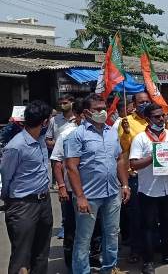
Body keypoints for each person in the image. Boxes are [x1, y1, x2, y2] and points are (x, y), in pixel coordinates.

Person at [65, 93, 131, 273]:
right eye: (98, 109)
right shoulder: (77, 135)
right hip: (88, 196)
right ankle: (81, 271)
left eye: (104, 108)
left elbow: (119, 160)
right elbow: (71, 167)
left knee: (111, 235)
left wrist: (124, 185)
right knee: (83, 239)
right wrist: (80, 197)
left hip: (112, 194)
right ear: (86, 112)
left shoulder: (111, 132)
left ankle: (109, 268)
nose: (103, 112)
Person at [129, 103, 168, 273]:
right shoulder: (141, 138)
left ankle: (167, 254)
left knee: (167, 223)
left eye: (163, 116)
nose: (161, 119)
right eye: (156, 117)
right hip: (149, 190)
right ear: (147, 119)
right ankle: (148, 261)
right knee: (149, 225)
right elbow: (134, 164)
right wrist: (154, 156)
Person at [0, 100, 53, 274]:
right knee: (21, 257)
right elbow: (6, 176)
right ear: (44, 122)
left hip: (44, 202)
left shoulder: (41, 140)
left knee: (41, 253)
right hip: (23, 205)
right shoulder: (16, 146)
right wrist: (10, 200)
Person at [51, 98, 99, 268]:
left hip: (93, 190)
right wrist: (62, 187)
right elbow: (57, 162)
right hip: (72, 190)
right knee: (72, 229)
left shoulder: (98, 132)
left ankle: (91, 258)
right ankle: (71, 264)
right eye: (86, 114)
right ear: (78, 115)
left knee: (93, 229)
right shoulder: (66, 134)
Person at [117, 91, 151, 264]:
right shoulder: (126, 122)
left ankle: (151, 247)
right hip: (135, 174)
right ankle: (135, 250)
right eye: (141, 102)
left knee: (152, 215)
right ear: (134, 105)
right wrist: (126, 133)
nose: (144, 104)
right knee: (136, 216)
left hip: (154, 176)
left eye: (147, 101)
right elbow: (122, 152)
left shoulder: (154, 119)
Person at [45, 94, 76, 189]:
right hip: (60, 160)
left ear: (72, 103)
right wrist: (59, 143)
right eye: (60, 104)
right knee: (64, 190)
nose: (62, 105)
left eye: (65, 103)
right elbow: (47, 141)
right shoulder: (54, 120)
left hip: (76, 158)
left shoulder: (78, 119)